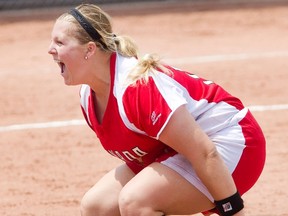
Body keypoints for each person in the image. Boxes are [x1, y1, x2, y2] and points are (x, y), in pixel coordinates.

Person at [48, 3, 266, 216]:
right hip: (183, 150)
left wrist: (231, 208)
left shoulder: (136, 88)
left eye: (60, 42)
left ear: (90, 49)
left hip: (232, 142)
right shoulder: (88, 97)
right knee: (96, 207)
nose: (51, 50)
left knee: (136, 202)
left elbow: (204, 151)